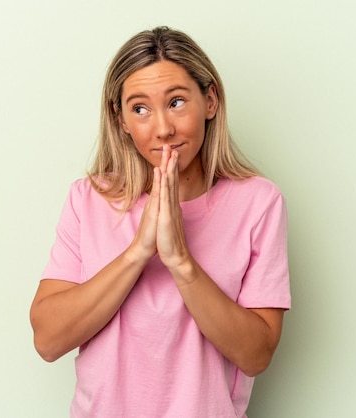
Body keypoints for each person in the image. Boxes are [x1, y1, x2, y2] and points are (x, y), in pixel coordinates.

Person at [30, 26, 290, 418]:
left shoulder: (258, 202)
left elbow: (256, 355)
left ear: (210, 101)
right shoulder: (88, 199)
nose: (163, 128)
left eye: (177, 102)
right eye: (140, 109)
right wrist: (138, 252)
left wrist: (180, 260)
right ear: (120, 119)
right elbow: (48, 340)